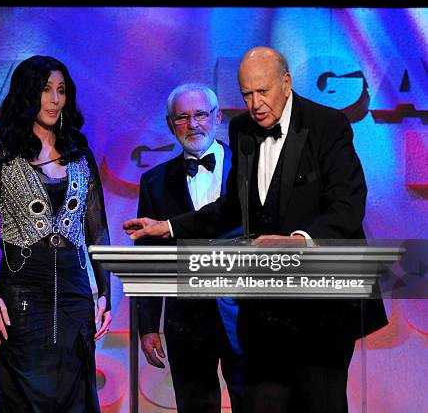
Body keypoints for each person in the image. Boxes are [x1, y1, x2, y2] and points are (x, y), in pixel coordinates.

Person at [124, 47, 388, 413]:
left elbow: (348, 204)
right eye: (247, 94)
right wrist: (168, 226)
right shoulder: (242, 129)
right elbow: (233, 206)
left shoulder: (327, 124)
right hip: (265, 311)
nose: (255, 103)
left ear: (286, 83)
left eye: (262, 92)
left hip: (322, 308)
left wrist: (298, 242)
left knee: (319, 404)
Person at [0, 55, 112, 412]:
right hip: (21, 296)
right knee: (23, 395)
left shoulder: (81, 156)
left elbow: (99, 231)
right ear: (26, 95)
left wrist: (105, 294)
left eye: (61, 91)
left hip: (75, 296)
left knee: (75, 395)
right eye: (45, 90)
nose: (54, 99)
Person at [136, 83, 244, 412]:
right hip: (186, 319)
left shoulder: (249, 169)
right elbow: (150, 259)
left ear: (218, 117)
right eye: (182, 117)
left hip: (247, 314)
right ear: (170, 125)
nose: (193, 124)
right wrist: (148, 325)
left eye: (200, 114)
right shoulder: (154, 181)